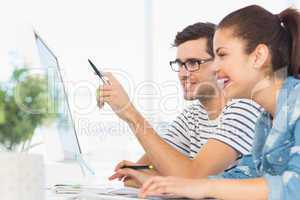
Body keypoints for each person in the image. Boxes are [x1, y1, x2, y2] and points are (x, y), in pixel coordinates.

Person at [139, 5, 300, 200]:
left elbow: (294, 187)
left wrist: (205, 187)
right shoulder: (266, 120)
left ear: (258, 56)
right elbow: (247, 176)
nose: (214, 67)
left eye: (222, 55)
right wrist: (179, 185)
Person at [98, 22, 262, 187]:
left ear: (219, 64)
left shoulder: (245, 106)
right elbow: (134, 176)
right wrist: (155, 177)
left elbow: (193, 178)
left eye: (193, 63)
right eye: (180, 64)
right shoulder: (192, 115)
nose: (183, 74)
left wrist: (129, 113)